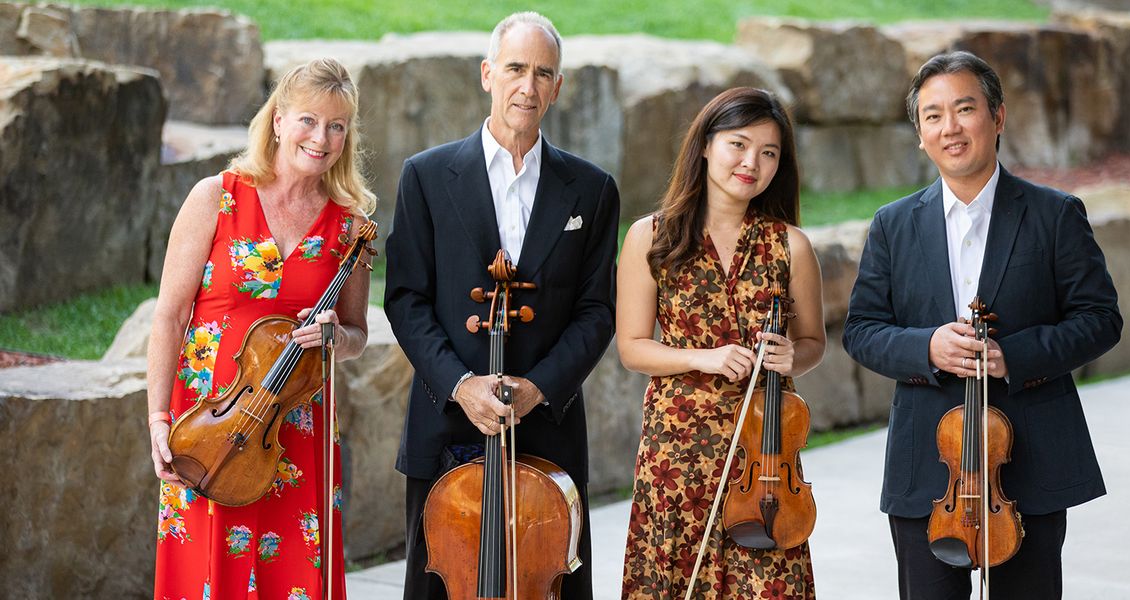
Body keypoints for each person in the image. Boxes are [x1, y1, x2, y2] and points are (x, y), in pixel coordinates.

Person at [842, 50, 1122, 599]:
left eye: (964, 109)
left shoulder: (1055, 214)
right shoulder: (892, 225)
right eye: (933, 116)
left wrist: (1013, 355)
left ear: (997, 116)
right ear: (920, 135)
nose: (950, 128)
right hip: (928, 468)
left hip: (1030, 464)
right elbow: (862, 330)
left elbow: (1101, 319)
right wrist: (927, 347)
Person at [384, 11, 619, 600]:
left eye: (544, 73)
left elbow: (597, 312)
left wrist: (539, 387)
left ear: (558, 87)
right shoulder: (427, 176)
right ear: (488, 74)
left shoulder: (591, 190)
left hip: (548, 431)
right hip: (447, 424)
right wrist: (461, 384)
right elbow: (406, 299)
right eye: (516, 68)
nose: (529, 86)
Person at [147, 58, 375, 599]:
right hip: (211, 425)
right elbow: (170, 314)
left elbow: (357, 334)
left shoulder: (351, 226)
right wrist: (159, 418)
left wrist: (334, 338)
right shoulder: (216, 197)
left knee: (292, 577)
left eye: (337, 126)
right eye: (309, 120)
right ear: (277, 120)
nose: (321, 138)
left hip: (293, 430)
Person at [616, 87, 825, 599]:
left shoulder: (791, 245)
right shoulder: (652, 237)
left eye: (769, 152)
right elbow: (633, 347)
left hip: (768, 458)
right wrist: (701, 357)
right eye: (739, 143)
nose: (752, 162)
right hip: (679, 451)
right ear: (706, 145)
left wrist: (793, 355)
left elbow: (813, 340)